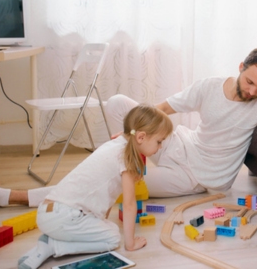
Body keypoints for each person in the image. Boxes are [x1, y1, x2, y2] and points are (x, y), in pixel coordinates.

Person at [0, 47, 257, 207]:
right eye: (250, 81)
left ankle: (11, 197)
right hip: (180, 143)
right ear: (240, 66)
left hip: (198, 178)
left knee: (109, 178)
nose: (253, 91)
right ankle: (127, 153)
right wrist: (135, 132)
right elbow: (164, 108)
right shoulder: (209, 86)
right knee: (117, 103)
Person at [18, 104, 173, 269]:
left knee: (107, 227)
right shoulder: (126, 159)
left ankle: (50, 242)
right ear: (141, 137)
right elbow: (129, 205)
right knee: (113, 237)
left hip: (47, 212)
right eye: (159, 141)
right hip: (64, 217)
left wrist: (101, 223)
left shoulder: (113, 145)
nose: (160, 147)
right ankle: (54, 246)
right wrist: (131, 243)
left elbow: (106, 196)